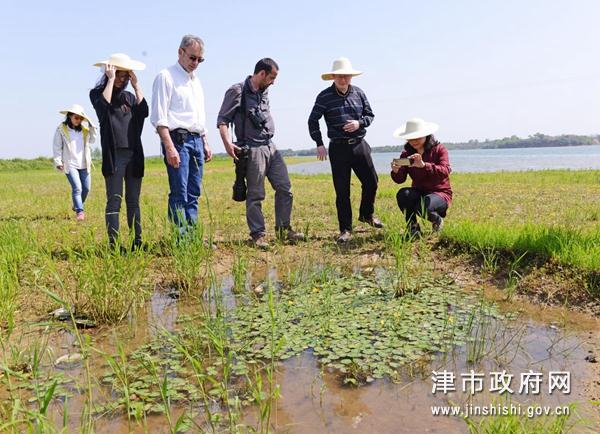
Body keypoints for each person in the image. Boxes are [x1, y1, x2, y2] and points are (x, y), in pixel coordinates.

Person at [216, 58, 305, 248]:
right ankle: (258, 234)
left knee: (285, 188)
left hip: (270, 146)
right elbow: (223, 120)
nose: (274, 82)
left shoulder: (265, 92)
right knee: (256, 194)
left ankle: (284, 230)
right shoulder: (237, 91)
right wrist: (227, 144)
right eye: (272, 77)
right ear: (262, 74)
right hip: (251, 149)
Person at [307, 57, 382, 244]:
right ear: (333, 76)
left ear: (351, 76)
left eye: (346, 76)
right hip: (338, 148)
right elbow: (312, 120)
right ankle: (345, 229)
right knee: (342, 190)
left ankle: (366, 215)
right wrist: (319, 143)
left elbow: (370, 115)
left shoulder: (359, 93)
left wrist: (359, 123)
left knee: (372, 181)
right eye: (340, 76)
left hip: (359, 144)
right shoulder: (324, 96)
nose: (343, 80)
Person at [151, 35, 213, 234]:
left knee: (194, 192)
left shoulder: (196, 82)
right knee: (180, 192)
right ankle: (181, 238)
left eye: (199, 60)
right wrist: (169, 147)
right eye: (192, 57)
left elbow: (198, 117)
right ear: (180, 52)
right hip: (178, 140)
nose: (195, 63)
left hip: (196, 140)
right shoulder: (166, 76)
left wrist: (205, 141)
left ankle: (193, 234)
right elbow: (159, 118)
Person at [89, 53, 148, 249]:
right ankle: (114, 245)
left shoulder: (130, 97)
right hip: (114, 157)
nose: (122, 80)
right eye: (119, 75)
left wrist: (137, 85)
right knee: (114, 201)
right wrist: (111, 79)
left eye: (125, 76)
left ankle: (137, 242)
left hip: (134, 155)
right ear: (109, 72)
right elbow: (103, 107)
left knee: (134, 201)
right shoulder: (97, 94)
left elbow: (144, 111)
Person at [390, 117, 452, 238]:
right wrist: (396, 171)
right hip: (419, 191)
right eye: (410, 138)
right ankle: (413, 228)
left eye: (417, 136)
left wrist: (424, 166)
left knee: (422, 207)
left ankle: (436, 220)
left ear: (426, 135)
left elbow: (445, 171)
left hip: (440, 193)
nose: (413, 141)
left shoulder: (439, 149)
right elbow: (400, 180)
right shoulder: (406, 154)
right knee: (403, 194)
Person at [52, 104, 96, 221]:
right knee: (77, 188)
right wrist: (58, 161)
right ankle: (80, 212)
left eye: (81, 118)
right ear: (70, 116)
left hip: (84, 164)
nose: (79, 120)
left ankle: (77, 204)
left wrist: (92, 127)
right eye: (76, 118)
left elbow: (92, 140)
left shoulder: (85, 131)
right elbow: (57, 146)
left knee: (86, 189)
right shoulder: (61, 129)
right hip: (69, 163)